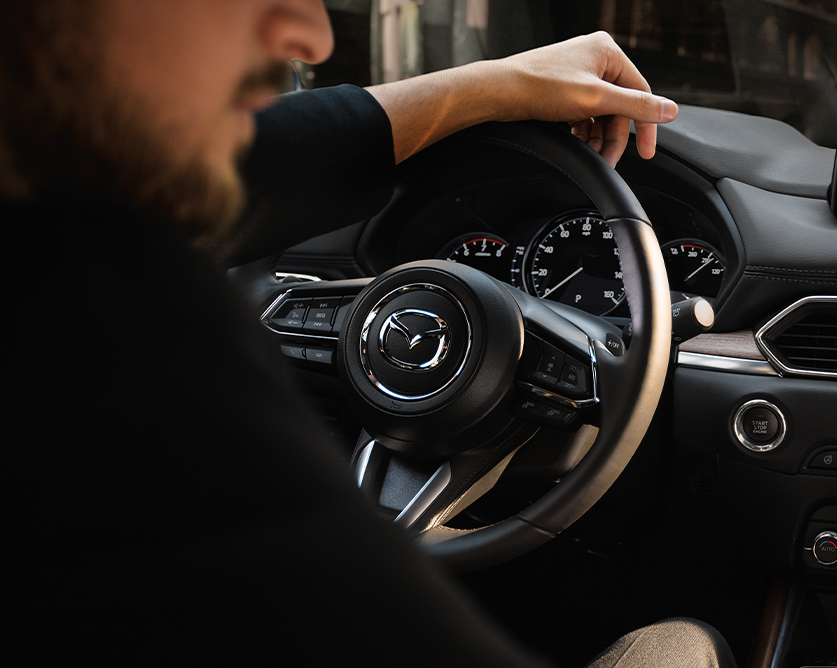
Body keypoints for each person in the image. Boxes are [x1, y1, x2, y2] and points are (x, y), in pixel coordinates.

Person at [2, 1, 732, 666]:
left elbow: (236, 162)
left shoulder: (67, 249)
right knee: (684, 646)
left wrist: (492, 86)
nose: (312, 36)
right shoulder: (97, 318)